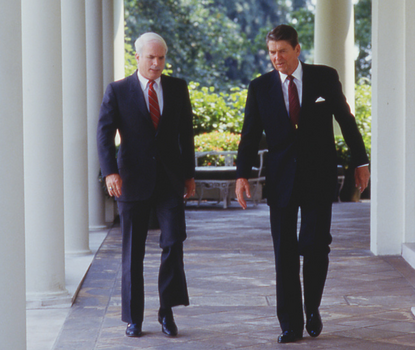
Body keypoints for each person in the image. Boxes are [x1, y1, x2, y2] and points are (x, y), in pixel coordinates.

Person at [235, 24, 370, 344]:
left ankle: (312, 307)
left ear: (297, 49)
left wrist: (360, 162)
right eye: (271, 52)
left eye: (282, 51)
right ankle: (290, 323)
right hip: (280, 180)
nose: (276, 58)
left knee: (315, 245)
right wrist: (242, 174)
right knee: (284, 252)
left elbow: (346, 119)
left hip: (319, 176)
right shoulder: (259, 87)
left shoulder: (324, 77)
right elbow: (249, 135)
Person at [97, 32, 195, 338]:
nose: (156, 63)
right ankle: (133, 318)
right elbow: (103, 134)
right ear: (137, 57)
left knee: (173, 242)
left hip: (169, 181)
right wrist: (110, 172)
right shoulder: (118, 90)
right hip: (131, 181)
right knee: (132, 252)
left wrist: (189, 175)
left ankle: (167, 312)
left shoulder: (177, 88)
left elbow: (186, 135)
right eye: (150, 57)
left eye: (161, 57)